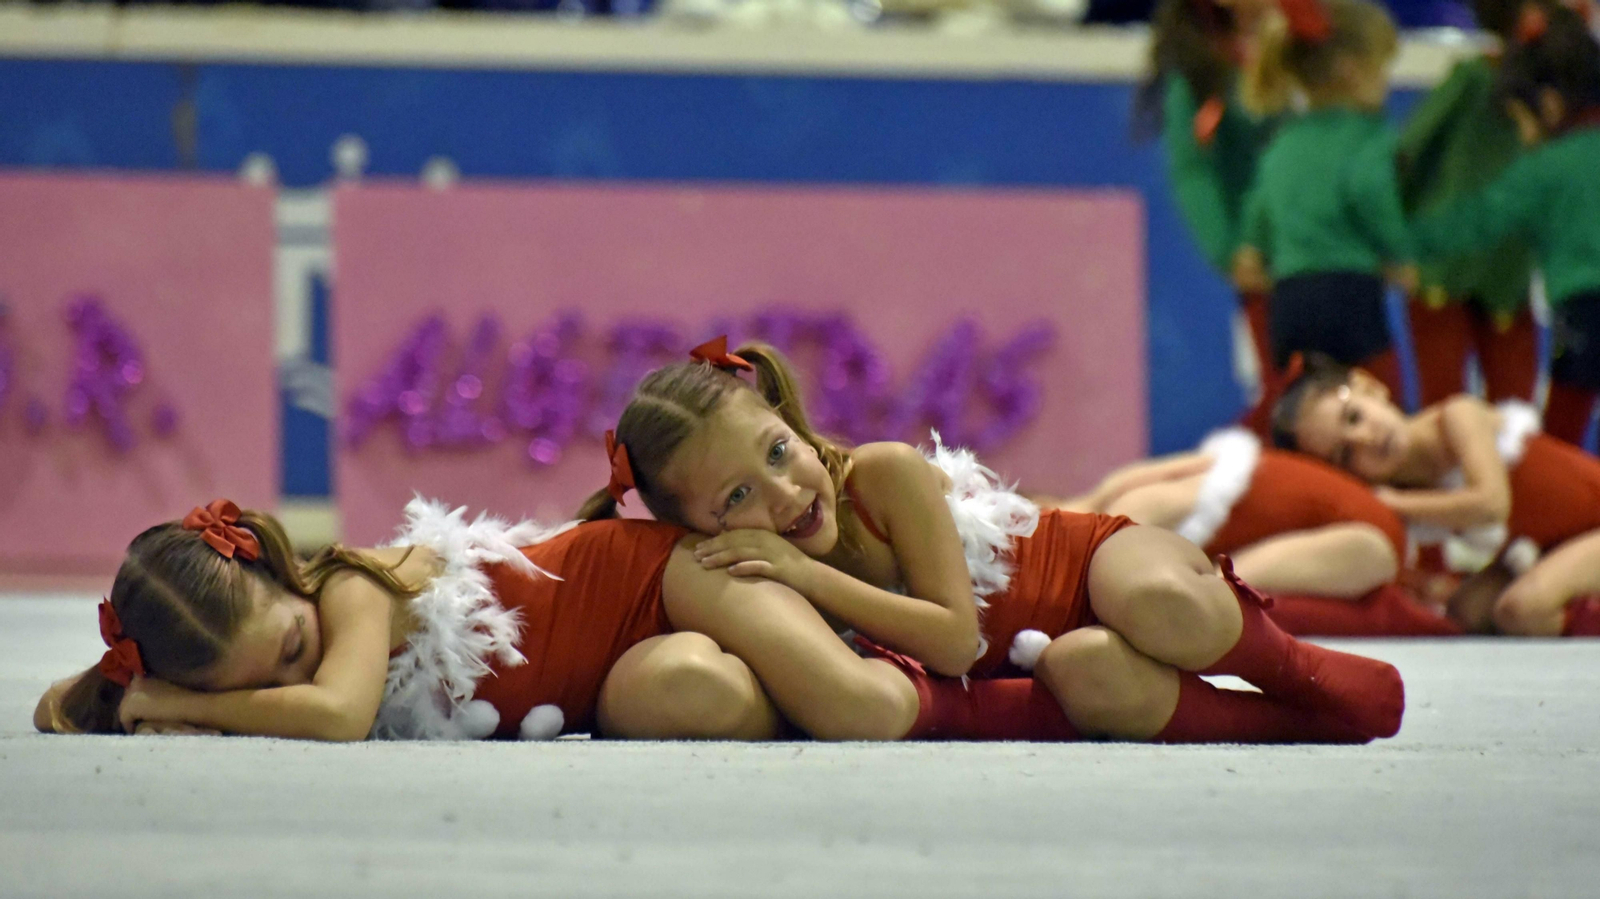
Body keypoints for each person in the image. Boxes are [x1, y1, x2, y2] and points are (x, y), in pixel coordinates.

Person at [578, 337, 1406, 743]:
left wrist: (807, 572)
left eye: (778, 451)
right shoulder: (745, 579)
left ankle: (1296, 670)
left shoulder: (883, 473)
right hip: (1035, 654)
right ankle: (1281, 728)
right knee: (1093, 675)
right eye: (737, 496)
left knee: (1157, 603)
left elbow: (952, 633)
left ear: (790, 419)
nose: (787, 491)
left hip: (1079, 565)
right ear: (696, 530)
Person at [1272, 354, 1600, 635]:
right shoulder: (1404, 489)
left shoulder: (1457, 416)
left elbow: (1491, 505)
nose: (1365, 438)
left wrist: (1394, 503)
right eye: (1346, 454)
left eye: (1354, 416)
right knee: (1466, 611)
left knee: (1522, 609)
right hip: (1550, 544)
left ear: (1370, 388)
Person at [1410, 3, 1600, 446]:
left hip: (1585, 313)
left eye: (1519, 122)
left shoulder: (1543, 169)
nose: (1523, 137)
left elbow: (1478, 222)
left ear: (1549, 105)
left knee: (1558, 440)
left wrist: (1403, 243)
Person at [1232, 0, 1413, 397]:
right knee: (1380, 402)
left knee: (1306, 415)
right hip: (1349, 296)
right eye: (1381, 69)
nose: (1386, 82)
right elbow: (1372, 198)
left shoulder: (1282, 144)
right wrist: (1405, 256)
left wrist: (1254, 255)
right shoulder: (1368, 138)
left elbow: (1257, 226)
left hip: (1289, 303)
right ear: (1351, 68)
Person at [1396, 0, 1546, 408]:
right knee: (1449, 404)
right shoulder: (1474, 78)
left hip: (1505, 270)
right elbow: (1407, 154)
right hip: (1446, 262)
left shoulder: (1550, 94)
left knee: (1512, 404)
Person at [1138, 0, 1281, 383]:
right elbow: (1193, 170)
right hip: (1262, 264)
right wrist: (1230, 250)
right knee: (1280, 391)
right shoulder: (1202, 66)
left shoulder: (1309, 46)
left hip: (1333, 255)